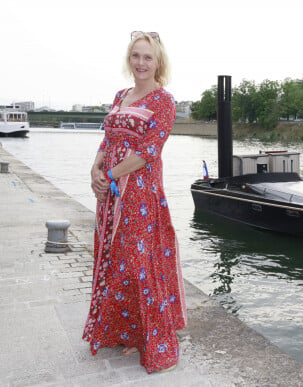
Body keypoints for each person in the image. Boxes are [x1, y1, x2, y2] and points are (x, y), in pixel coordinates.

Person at [83, 31, 187, 373]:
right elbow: (108, 138)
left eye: (148, 58)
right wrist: (96, 169)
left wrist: (111, 175)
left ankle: (148, 336)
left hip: (138, 192)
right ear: (129, 59)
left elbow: (148, 152)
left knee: (139, 260)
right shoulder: (121, 95)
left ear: (158, 62)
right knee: (114, 259)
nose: (141, 63)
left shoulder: (163, 100)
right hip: (110, 191)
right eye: (136, 56)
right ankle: (122, 330)